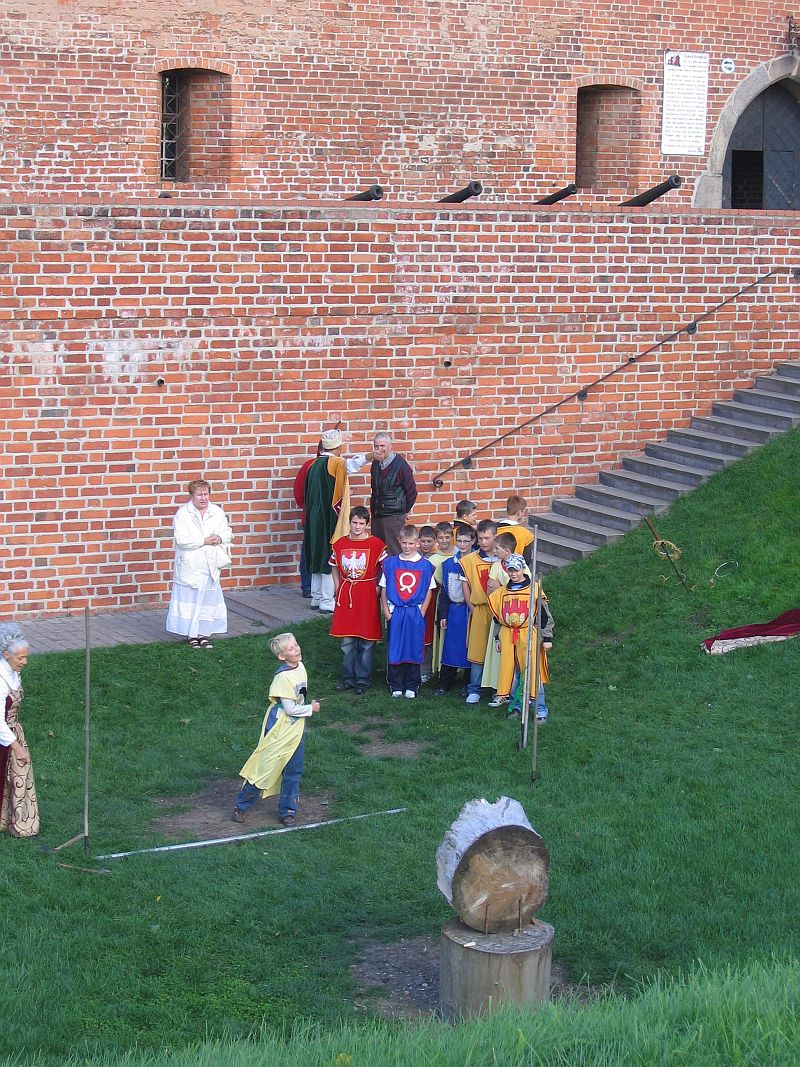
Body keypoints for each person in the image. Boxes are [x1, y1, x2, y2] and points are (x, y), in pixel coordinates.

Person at [233, 633, 320, 827]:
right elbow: (289, 709)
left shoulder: (300, 666)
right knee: (265, 766)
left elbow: (299, 696)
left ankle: (288, 811)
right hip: (280, 726)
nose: (296, 649)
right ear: (281, 656)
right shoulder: (282, 678)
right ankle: (241, 805)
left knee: (293, 770)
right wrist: (310, 709)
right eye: (291, 648)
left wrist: (305, 706)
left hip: (295, 728)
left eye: (296, 645)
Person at [303, 428, 368, 613]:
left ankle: (316, 597)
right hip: (328, 517)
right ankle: (326, 599)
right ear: (338, 447)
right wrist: (370, 456)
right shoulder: (334, 463)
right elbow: (351, 465)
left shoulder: (313, 465)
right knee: (327, 556)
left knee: (316, 553)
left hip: (313, 517)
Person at [166, 479, 233, 649]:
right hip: (190, 565)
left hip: (210, 565)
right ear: (192, 495)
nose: (203, 498)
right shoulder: (183, 514)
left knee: (207, 601)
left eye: (206, 494)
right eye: (199, 494)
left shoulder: (217, 512)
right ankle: (191, 635)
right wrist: (204, 540)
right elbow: (182, 540)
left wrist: (219, 538)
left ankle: (203, 634)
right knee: (190, 599)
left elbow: (227, 533)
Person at [488, 554, 554, 721]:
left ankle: (539, 708)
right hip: (508, 637)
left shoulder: (534, 589)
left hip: (528, 635)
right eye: (510, 570)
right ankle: (516, 706)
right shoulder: (502, 593)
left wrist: (547, 638)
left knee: (533, 672)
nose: (513, 574)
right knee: (514, 673)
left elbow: (544, 616)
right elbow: (498, 618)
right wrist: (497, 638)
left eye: (516, 570)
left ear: (523, 569)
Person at [329, 506, 387, 694]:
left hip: (367, 594)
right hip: (347, 594)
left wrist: (378, 587)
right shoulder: (340, 544)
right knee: (347, 641)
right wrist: (337, 586)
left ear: (366, 524)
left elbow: (386, 568)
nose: (357, 527)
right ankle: (349, 678)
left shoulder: (376, 544)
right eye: (354, 522)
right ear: (349, 522)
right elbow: (334, 566)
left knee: (366, 639)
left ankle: (363, 679)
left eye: (361, 523)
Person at [379, 525, 436, 698]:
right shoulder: (391, 564)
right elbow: (384, 588)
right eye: (404, 543)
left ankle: (412, 684)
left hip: (414, 612)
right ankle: (395, 684)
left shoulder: (425, 566)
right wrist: (386, 612)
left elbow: (429, 590)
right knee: (395, 647)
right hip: (396, 611)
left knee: (414, 646)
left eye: (411, 543)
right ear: (399, 541)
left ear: (417, 543)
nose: (407, 546)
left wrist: (422, 612)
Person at [0, 622, 39, 838]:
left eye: (26, 657)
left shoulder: (13, 673)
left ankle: (11, 820)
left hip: (14, 730)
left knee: (17, 776)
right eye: (20, 658)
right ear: (6, 655)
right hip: (4, 735)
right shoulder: (0, 680)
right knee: (16, 773)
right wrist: (16, 747)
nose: (24, 662)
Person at [459, 519, 498, 704]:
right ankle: (474, 688)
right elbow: (465, 585)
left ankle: (499, 689)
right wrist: (471, 607)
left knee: (499, 649)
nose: (483, 542)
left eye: (487, 538)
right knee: (477, 649)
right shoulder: (469, 560)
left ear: (495, 537)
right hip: (480, 609)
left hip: (499, 611)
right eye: (480, 538)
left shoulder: (504, 559)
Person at [434, 526, 476, 695]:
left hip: (470, 611)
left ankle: (468, 683)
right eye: (459, 541)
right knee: (450, 647)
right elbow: (445, 591)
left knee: (470, 646)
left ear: (473, 541)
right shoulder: (448, 564)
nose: (462, 544)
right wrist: (443, 614)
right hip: (454, 611)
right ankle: (445, 683)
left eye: (466, 541)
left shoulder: (476, 562)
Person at [370, 431, 418, 555]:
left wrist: (404, 511)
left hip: (393, 517)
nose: (379, 449)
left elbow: (412, 492)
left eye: (382, 446)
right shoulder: (375, 463)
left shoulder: (401, 466)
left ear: (390, 446)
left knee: (393, 552)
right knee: (377, 552)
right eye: (376, 446)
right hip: (377, 516)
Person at [292, 441, 323, 598]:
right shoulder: (310, 466)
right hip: (312, 516)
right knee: (309, 551)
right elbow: (299, 491)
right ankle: (308, 585)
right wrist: (308, 507)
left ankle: (315, 587)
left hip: (318, 515)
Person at [496, 494, 534, 563]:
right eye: (524, 511)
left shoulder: (494, 529)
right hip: (516, 567)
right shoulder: (525, 534)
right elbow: (527, 560)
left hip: (495, 567)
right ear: (519, 512)